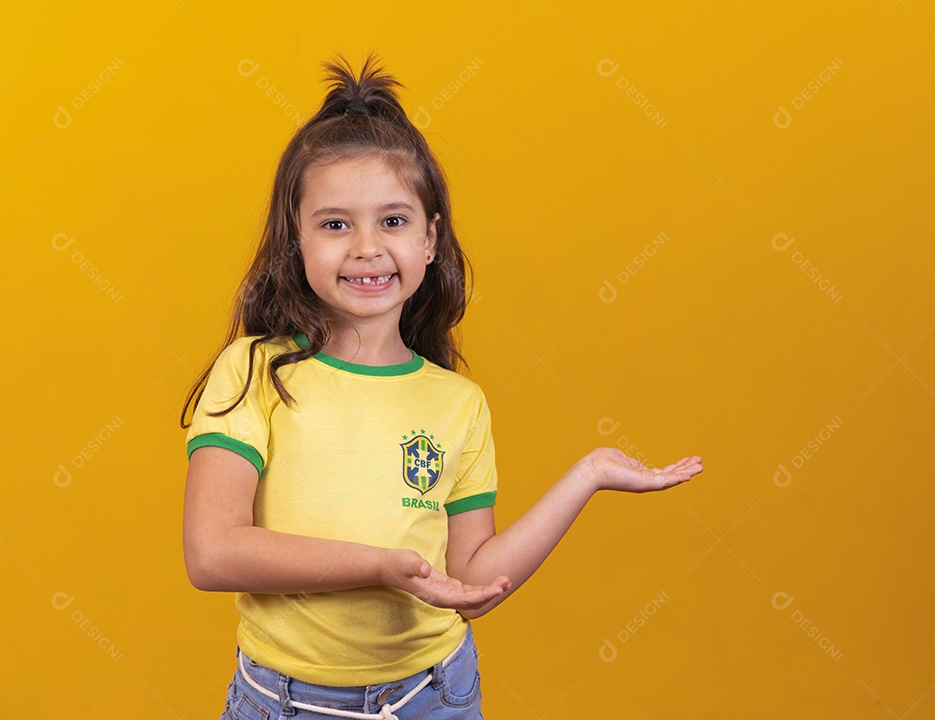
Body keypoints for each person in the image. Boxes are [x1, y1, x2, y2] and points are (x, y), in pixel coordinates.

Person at [180, 52, 704, 720]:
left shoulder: (457, 404)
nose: (367, 247)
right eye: (335, 224)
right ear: (297, 241)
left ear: (430, 240)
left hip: (431, 698)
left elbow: (470, 580)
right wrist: (379, 567)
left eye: (393, 221)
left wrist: (588, 473)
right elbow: (213, 553)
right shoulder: (254, 371)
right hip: (281, 703)